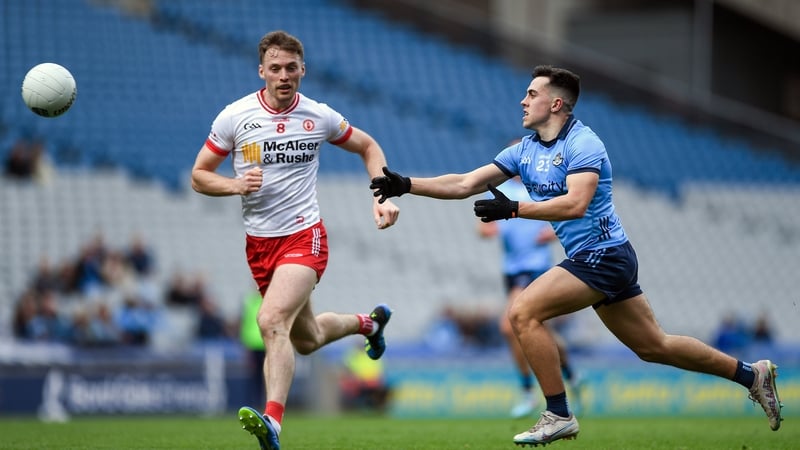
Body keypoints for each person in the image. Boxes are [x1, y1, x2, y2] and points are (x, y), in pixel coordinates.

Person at [370, 65, 782, 446]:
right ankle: (751, 374)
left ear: (556, 104)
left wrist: (514, 209)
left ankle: (558, 413)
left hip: (605, 254)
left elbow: (576, 204)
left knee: (521, 313)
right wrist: (407, 184)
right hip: (598, 258)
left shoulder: (584, 143)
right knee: (654, 346)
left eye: (531, 94)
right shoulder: (524, 151)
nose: (522, 101)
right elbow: (464, 183)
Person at [191, 30, 400, 450]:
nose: (283, 76)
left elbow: (368, 145)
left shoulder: (319, 116)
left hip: (305, 237)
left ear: (302, 69)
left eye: (291, 68)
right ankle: (369, 324)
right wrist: (234, 186)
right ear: (261, 71)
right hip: (260, 245)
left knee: (270, 321)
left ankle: (272, 422)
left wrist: (383, 196)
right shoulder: (235, 117)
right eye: (275, 68)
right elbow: (199, 175)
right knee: (306, 339)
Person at [477, 173, 583, 418]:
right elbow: (482, 227)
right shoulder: (500, 191)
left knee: (508, 325)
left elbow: (570, 214)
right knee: (539, 330)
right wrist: (489, 229)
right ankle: (572, 376)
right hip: (511, 268)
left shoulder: (541, 189)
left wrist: (553, 233)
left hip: (536, 266)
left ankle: (527, 391)